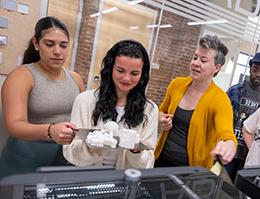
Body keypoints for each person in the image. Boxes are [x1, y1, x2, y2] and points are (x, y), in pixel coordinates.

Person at [0, 16, 85, 178]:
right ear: (36, 43)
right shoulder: (22, 76)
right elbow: (14, 125)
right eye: (50, 44)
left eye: (63, 45)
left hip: (64, 159)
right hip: (24, 160)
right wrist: (50, 130)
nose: (58, 51)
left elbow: (81, 117)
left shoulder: (76, 78)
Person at [63, 40, 158, 169]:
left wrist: (136, 151)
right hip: (85, 178)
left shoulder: (150, 110)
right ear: (110, 68)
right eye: (120, 70)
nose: (126, 78)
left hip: (124, 181)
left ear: (142, 75)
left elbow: (148, 164)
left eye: (134, 73)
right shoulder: (85, 100)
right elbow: (70, 153)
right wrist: (92, 145)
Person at [154, 35, 237, 169]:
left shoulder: (220, 100)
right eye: (195, 57)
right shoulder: (177, 84)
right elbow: (161, 110)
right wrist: (161, 118)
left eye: (203, 60)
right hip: (160, 161)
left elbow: (226, 133)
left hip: (191, 172)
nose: (196, 63)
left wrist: (229, 145)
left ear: (216, 68)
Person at [225, 52, 260, 180]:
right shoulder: (234, 91)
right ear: (250, 68)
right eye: (255, 69)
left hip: (249, 156)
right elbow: (222, 119)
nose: (258, 74)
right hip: (229, 151)